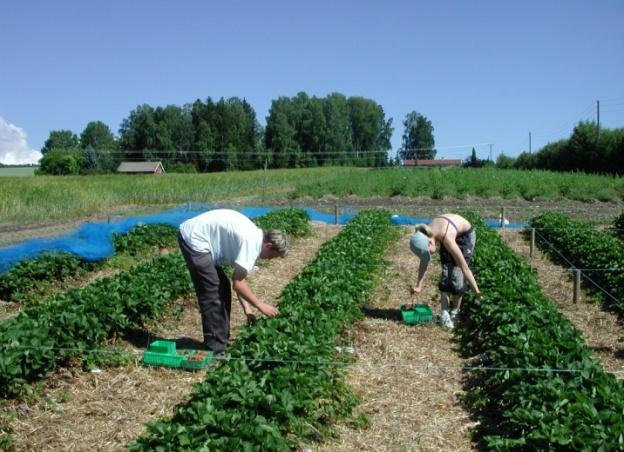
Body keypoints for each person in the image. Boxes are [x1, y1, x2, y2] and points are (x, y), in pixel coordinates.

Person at [177, 208, 288, 353]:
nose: (269, 259)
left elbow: (238, 280)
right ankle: (215, 348)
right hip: (194, 239)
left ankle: (220, 339)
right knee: (213, 294)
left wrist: (247, 309)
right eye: (272, 256)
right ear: (268, 246)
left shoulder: (254, 236)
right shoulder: (251, 244)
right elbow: (238, 284)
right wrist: (261, 306)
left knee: (222, 287)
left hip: (202, 238)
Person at [409, 213, 481, 329]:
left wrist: (477, 292)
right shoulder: (426, 234)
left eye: (429, 252)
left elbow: (464, 268)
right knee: (446, 273)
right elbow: (424, 261)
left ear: (430, 242)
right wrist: (419, 285)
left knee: (457, 275)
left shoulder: (446, 237)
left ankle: (455, 313)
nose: (430, 254)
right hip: (447, 232)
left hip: (464, 236)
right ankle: (444, 314)